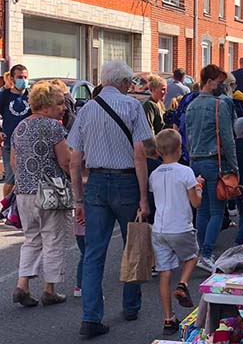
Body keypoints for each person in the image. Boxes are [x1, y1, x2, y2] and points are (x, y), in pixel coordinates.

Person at [67, 60, 153, 337]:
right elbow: (140, 154)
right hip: (127, 181)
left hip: (96, 184)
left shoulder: (86, 110)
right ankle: (130, 306)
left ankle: (90, 317)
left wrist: (78, 199)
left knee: (94, 252)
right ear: (125, 83)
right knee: (134, 246)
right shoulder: (132, 107)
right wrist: (143, 197)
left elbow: (75, 160)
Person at [11, 81, 71, 308]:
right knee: (53, 239)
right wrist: (76, 180)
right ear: (45, 106)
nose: (63, 107)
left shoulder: (20, 127)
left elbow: (15, 162)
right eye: (59, 103)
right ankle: (49, 289)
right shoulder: (53, 127)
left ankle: (22, 284)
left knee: (31, 239)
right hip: (50, 190)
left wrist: (25, 180)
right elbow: (65, 161)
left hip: (24, 191)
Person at [149, 129, 204, 335]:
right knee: (192, 255)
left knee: (165, 272)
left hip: (160, 228)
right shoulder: (185, 172)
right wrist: (199, 186)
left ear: (158, 151)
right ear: (180, 149)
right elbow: (195, 202)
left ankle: (168, 318)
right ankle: (183, 284)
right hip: (180, 226)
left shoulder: (154, 175)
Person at [185, 64, 237, 271]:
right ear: (209, 81)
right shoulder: (219, 105)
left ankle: (200, 252)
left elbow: (187, 134)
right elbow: (227, 138)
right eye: (218, 82)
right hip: (214, 161)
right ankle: (206, 253)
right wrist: (234, 166)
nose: (221, 86)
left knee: (202, 210)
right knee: (217, 210)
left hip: (195, 160)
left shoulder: (191, 105)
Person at [0, 64, 32, 198]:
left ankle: (18, 209)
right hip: (9, 143)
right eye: (20, 77)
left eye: (25, 77)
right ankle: (5, 206)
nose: (23, 80)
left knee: (27, 177)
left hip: (28, 143)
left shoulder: (31, 96)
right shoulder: (4, 96)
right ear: (12, 78)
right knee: (11, 178)